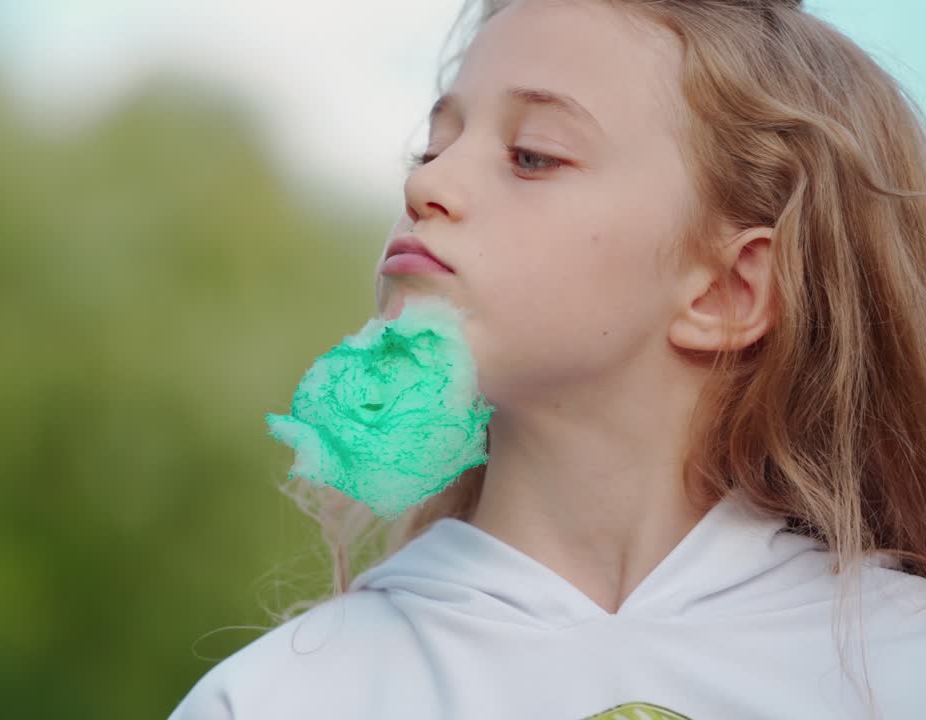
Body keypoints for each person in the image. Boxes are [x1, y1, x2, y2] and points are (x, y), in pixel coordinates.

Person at [168, 0, 926, 717]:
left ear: (727, 291)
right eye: (432, 147)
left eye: (531, 156)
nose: (424, 181)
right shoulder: (276, 699)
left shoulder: (899, 670)